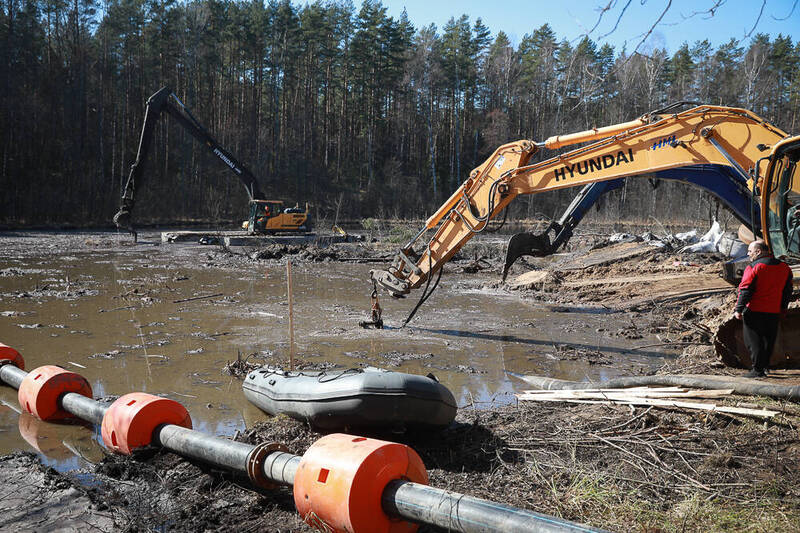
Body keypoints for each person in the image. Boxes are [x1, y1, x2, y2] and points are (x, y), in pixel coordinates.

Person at [734, 239, 793, 378]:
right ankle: (765, 367)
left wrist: (738, 309)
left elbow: (746, 289)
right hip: (773, 311)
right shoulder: (785, 268)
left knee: (753, 341)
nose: (748, 254)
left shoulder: (754, 267)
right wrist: (783, 308)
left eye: (750, 251)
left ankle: (757, 370)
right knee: (768, 340)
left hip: (754, 310)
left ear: (758, 251)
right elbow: (787, 291)